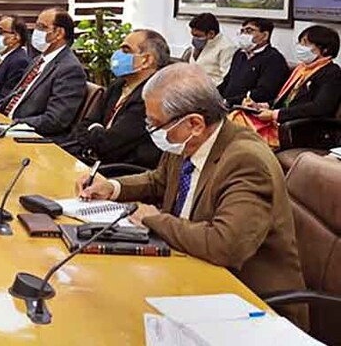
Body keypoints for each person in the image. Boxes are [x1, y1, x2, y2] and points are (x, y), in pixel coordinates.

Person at [77, 63, 306, 327]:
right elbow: (158, 181)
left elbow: (224, 246)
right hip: (187, 268)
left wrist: (153, 219)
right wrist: (112, 188)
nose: (152, 130)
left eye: (156, 124)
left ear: (195, 123)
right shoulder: (186, 141)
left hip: (248, 302)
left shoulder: (246, 160)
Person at [63, 29, 171, 169]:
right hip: (92, 159)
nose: (118, 55)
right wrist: (96, 132)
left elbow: (110, 144)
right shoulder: (118, 85)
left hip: (121, 170)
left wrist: (94, 131)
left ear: (146, 60)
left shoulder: (152, 95)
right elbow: (84, 124)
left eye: (126, 51)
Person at [230, 25, 341, 147]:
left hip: (301, 128)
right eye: (300, 43)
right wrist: (263, 105)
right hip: (281, 120)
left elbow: (320, 107)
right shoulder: (302, 69)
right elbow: (286, 99)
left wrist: (275, 114)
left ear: (324, 49)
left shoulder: (331, 73)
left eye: (305, 44)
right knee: (235, 119)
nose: (300, 47)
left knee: (238, 131)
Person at [2, 7, 87, 136]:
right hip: (10, 127)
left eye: (42, 27)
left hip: (33, 137)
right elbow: (14, 98)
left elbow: (55, 120)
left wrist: (12, 124)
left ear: (59, 33)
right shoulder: (38, 60)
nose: (36, 32)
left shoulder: (69, 69)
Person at [217, 18, 290, 108]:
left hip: (248, 108)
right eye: (242, 31)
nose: (244, 35)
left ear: (265, 35)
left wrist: (230, 101)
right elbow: (227, 81)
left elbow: (263, 93)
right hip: (227, 104)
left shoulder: (273, 59)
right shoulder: (240, 54)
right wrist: (213, 95)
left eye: (249, 31)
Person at [181, 13, 236, 85]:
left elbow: (226, 77)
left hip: (211, 89)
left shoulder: (227, 47)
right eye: (193, 35)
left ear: (211, 33)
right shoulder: (200, 43)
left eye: (197, 36)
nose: (195, 39)